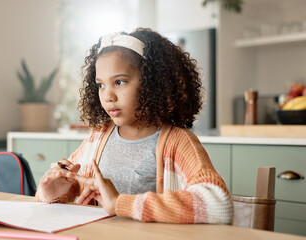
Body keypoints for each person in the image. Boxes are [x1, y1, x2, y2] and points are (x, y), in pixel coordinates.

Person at [36, 28, 233, 224]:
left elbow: (218, 204)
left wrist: (120, 203)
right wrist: (51, 193)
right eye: (100, 85)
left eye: (120, 82)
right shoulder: (98, 138)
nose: (108, 96)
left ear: (152, 83)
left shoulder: (177, 142)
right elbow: (63, 195)